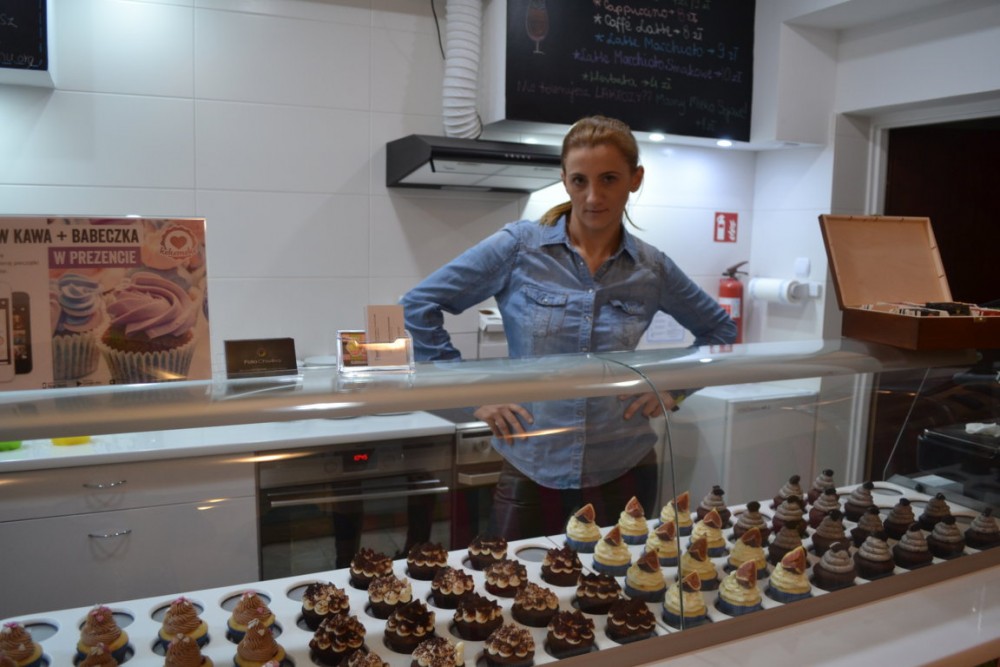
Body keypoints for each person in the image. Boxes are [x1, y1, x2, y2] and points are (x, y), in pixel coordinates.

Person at [402, 115, 736, 539]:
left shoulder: (651, 269)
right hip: (532, 465)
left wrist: (674, 389)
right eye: (579, 181)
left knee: (618, 579)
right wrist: (473, 396)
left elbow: (721, 334)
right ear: (564, 180)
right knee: (515, 578)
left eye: (609, 179)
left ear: (635, 180)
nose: (593, 196)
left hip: (624, 468)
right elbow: (417, 306)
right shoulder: (519, 248)